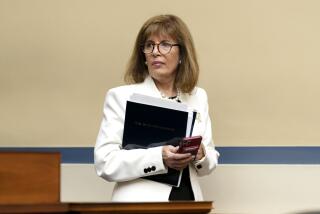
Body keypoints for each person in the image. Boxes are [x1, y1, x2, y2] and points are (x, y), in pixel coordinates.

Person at [94, 14, 219, 202]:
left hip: (189, 203)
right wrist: (159, 157)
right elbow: (105, 162)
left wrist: (202, 154)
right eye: (149, 45)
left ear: (182, 55)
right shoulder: (121, 97)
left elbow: (209, 161)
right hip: (140, 205)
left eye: (165, 44)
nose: (155, 51)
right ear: (143, 55)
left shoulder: (198, 97)